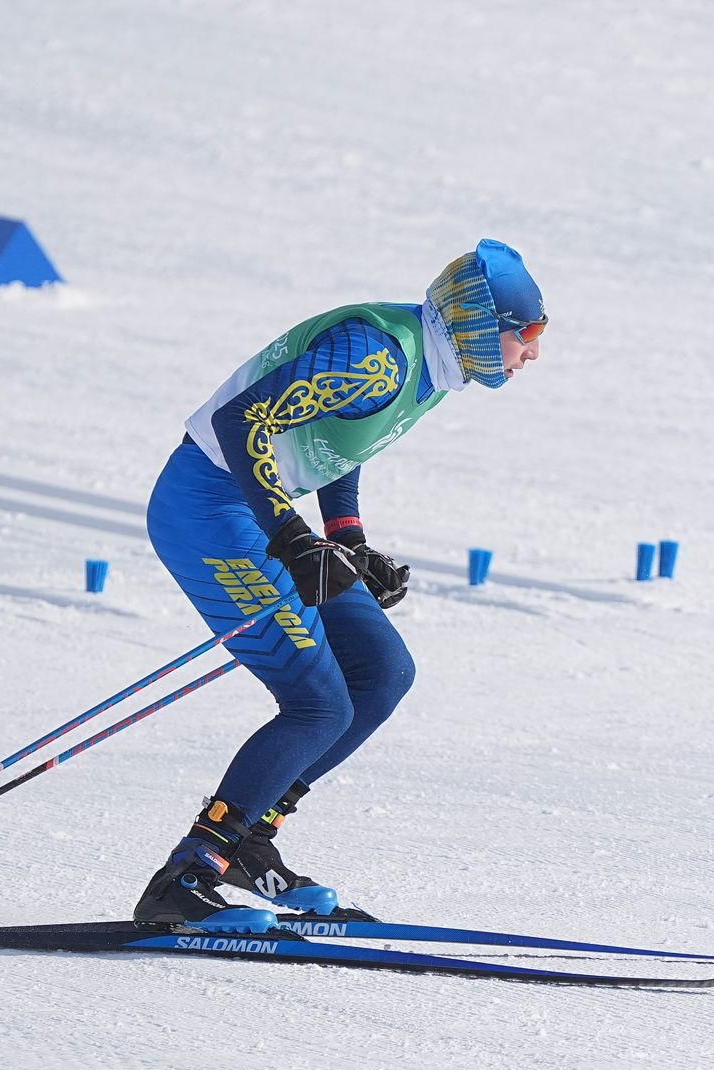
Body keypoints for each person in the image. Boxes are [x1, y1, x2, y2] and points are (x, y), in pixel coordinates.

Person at [135, 239, 547, 931]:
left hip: (258, 510)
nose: (533, 353)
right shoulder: (377, 357)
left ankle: (246, 839)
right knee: (317, 702)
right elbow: (244, 422)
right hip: (208, 507)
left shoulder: (430, 366)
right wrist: (292, 536)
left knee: (381, 672)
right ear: (482, 325)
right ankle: (188, 873)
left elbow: (335, 441)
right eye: (527, 333)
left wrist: (348, 537)